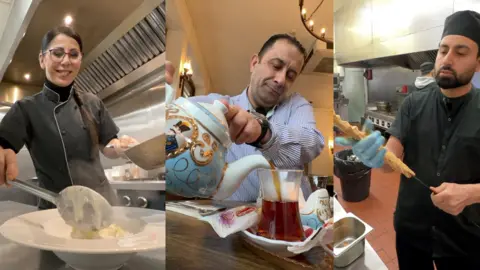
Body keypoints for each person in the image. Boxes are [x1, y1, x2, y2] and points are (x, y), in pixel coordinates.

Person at [336, 10, 480, 270]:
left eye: (461, 52)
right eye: (443, 50)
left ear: (479, 61)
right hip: (412, 231)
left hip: (465, 239)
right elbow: (389, 161)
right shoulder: (414, 103)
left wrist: (471, 193)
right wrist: (376, 157)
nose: (447, 59)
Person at [166, 34, 325, 202]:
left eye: (291, 75)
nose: (281, 79)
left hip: (293, 218)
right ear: (254, 63)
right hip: (229, 219)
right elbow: (176, 113)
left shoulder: (297, 104)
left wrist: (262, 132)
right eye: (276, 66)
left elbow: (312, 142)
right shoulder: (219, 104)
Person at [0, 26, 137, 209]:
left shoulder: (93, 103)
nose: (66, 61)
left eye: (73, 54)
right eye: (57, 53)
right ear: (42, 59)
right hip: (56, 210)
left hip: (102, 204)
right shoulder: (26, 109)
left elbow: (108, 146)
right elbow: (4, 144)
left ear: (80, 59)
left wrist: (120, 146)